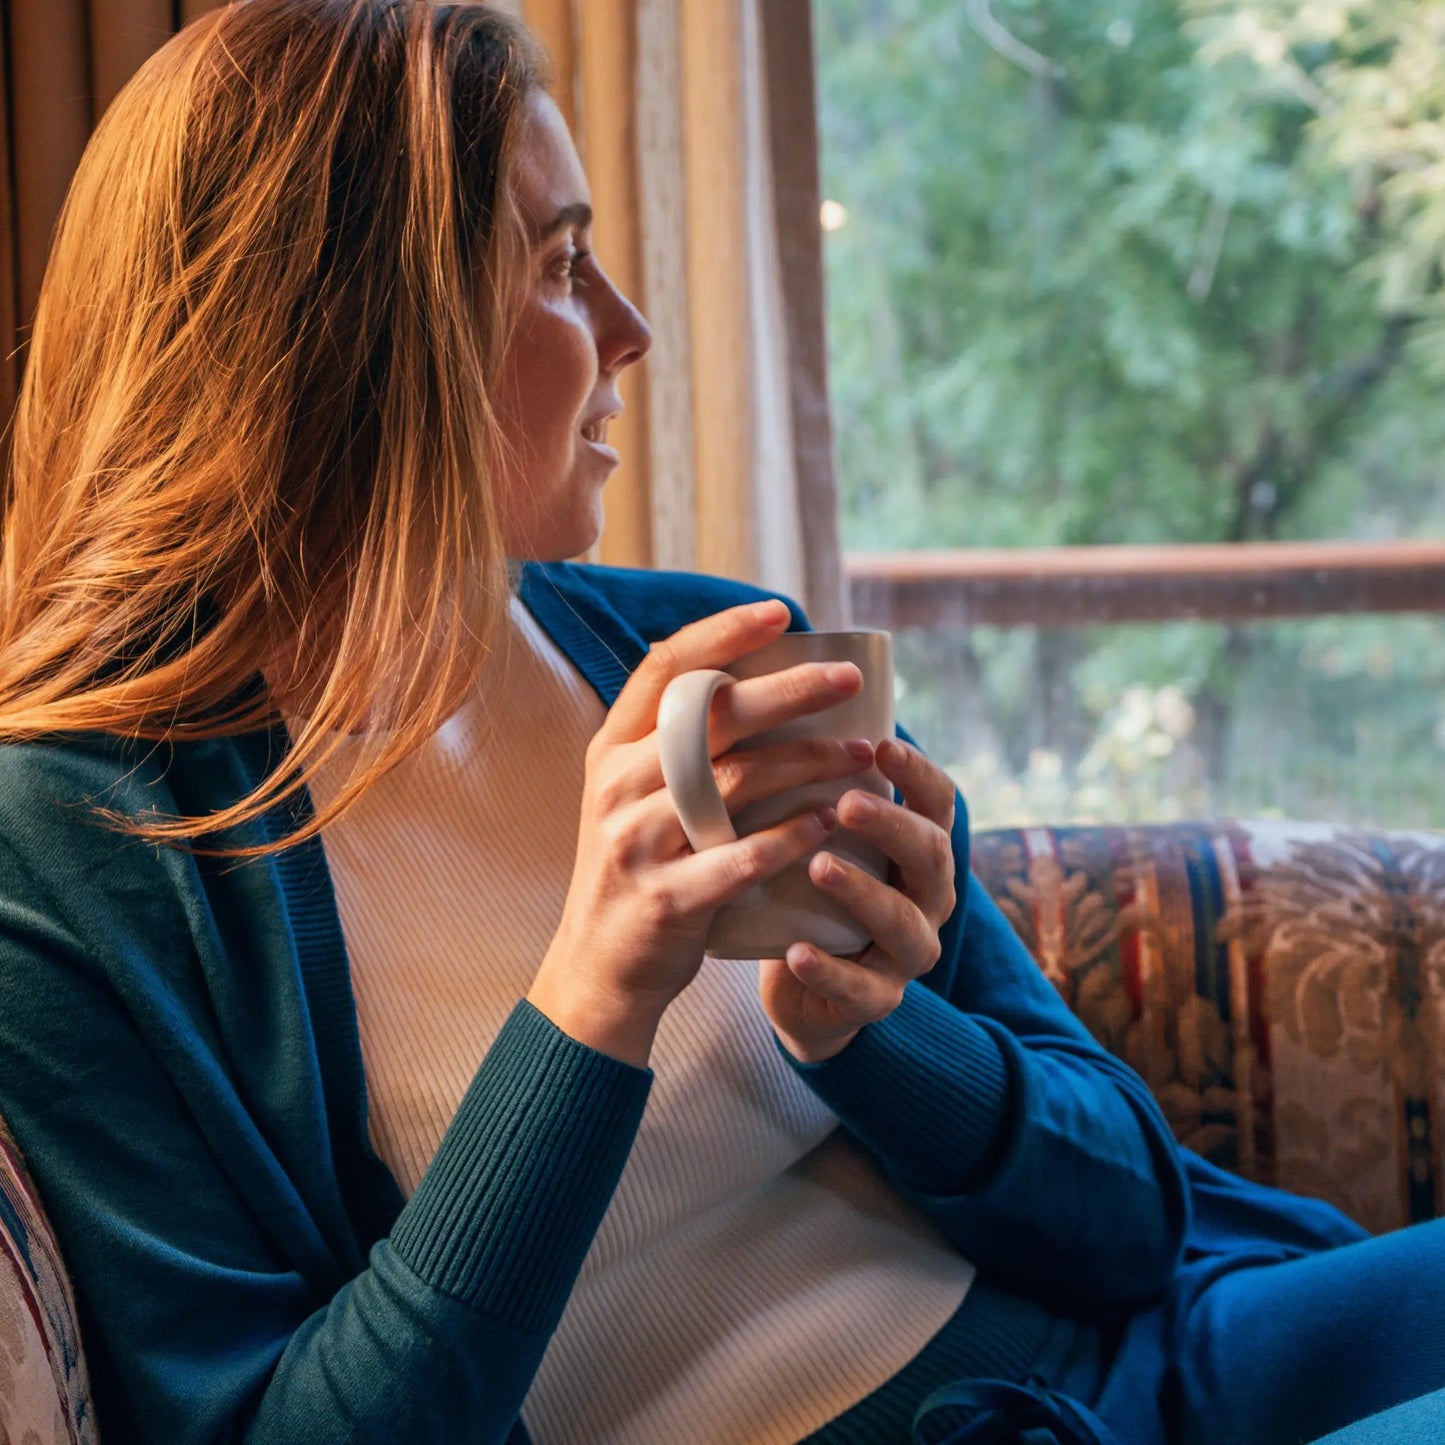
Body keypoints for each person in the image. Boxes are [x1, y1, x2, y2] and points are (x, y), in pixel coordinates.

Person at [0, 3, 1441, 1443]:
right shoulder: (79, 852)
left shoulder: (694, 655)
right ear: (358, 334)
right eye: (560, 265)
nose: (628, 328)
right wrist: (589, 1000)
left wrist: (870, 1028)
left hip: (1161, 1364)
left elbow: (1128, 1209)